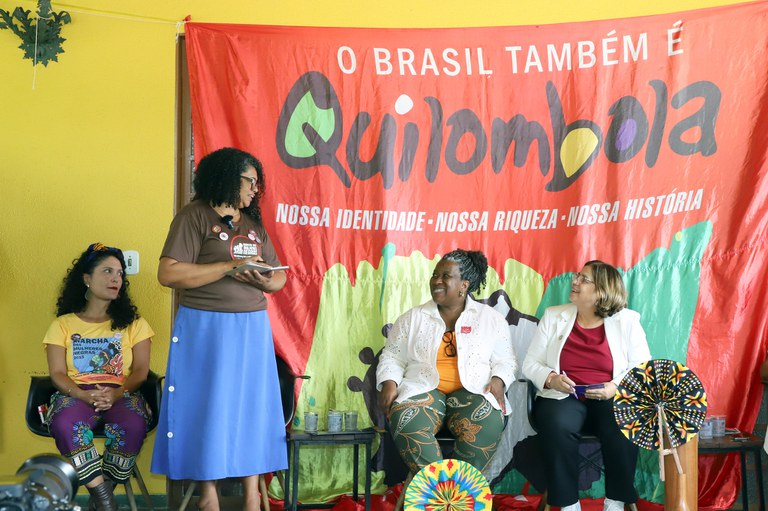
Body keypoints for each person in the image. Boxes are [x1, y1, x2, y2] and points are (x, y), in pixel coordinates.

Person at [150, 147, 287, 511]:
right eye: (249, 181)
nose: (255, 189)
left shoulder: (253, 223)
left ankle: (251, 494)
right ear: (227, 178)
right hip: (205, 326)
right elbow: (169, 273)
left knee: (250, 407)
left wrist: (262, 278)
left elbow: (279, 279)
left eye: (258, 183)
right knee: (208, 405)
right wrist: (228, 266)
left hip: (252, 327)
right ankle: (208, 493)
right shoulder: (194, 216)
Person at [522, 260, 651, 511]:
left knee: (624, 421)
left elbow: (642, 368)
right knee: (558, 424)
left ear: (602, 290)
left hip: (609, 397)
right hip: (563, 397)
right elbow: (530, 363)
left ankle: (615, 502)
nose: (575, 281)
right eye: (577, 276)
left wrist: (614, 388)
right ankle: (569, 504)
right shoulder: (554, 315)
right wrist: (551, 378)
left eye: (584, 279)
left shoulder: (627, 321)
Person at [376, 249, 516, 474]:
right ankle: (439, 492)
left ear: (464, 285)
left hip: (473, 390)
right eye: (434, 275)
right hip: (423, 388)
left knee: (487, 423)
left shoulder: (490, 319)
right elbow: (392, 356)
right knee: (407, 421)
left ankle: (461, 491)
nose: (437, 281)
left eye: (446, 276)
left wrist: (499, 380)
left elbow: (506, 361)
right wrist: (389, 382)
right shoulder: (412, 318)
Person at [44, 243, 154, 511]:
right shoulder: (63, 324)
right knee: (64, 421)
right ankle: (104, 499)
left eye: (119, 273)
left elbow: (140, 370)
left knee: (134, 424)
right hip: (76, 394)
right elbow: (57, 372)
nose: (116, 278)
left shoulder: (135, 324)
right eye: (107, 271)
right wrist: (81, 394)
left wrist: (117, 393)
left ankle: (101, 495)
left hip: (121, 392)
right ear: (86, 279)